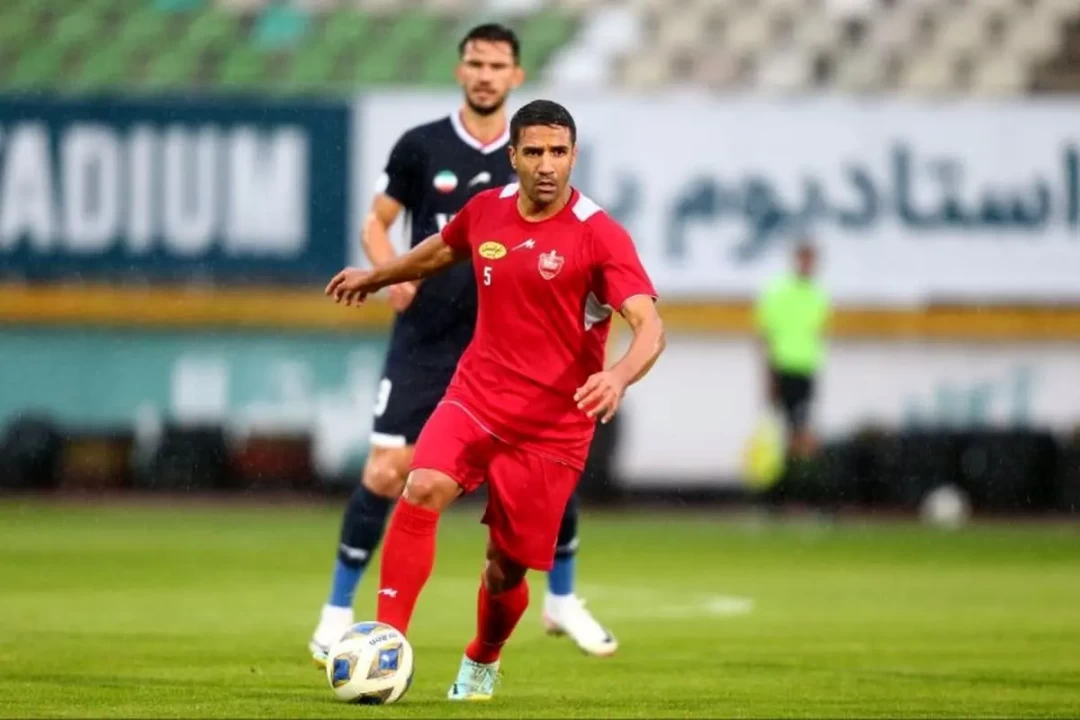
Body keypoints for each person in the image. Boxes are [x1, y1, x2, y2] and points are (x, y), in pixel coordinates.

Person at [325, 99, 665, 700]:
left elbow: (650, 327)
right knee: (421, 484)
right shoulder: (486, 210)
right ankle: (385, 640)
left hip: (552, 428)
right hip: (475, 397)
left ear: (573, 157)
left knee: (505, 568)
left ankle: (483, 655)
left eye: (557, 152)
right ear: (513, 156)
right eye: (533, 152)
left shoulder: (599, 235)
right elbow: (439, 249)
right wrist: (376, 276)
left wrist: (617, 376)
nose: (545, 164)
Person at [754, 240, 830, 502]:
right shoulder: (779, 292)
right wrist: (770, 375)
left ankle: (793, 489)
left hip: (806, 370)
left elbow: (816, 334)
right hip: (783, 369)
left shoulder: (818, 295)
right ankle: (790, 489)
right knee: (790, 432)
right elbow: (766, 334)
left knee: (800, 431)